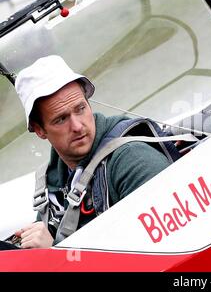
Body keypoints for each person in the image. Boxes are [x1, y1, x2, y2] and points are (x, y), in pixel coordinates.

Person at [13, 55, 172, 249]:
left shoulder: (133, 159)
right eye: (61, 119)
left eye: (80, 109)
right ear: (40, 130)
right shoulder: (52, 179)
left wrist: (55, 255)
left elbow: (161, 252)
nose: (78, 126)